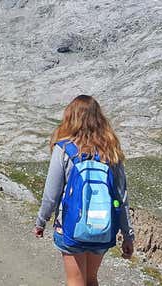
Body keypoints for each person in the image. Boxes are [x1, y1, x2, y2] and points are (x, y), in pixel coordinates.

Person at [33, 95, 134, 286]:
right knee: (90, 279)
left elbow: (51, 195)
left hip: (70, 226)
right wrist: (128, 235)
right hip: (102, 227)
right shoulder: (111, 152)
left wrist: (41, 222)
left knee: (75, 280)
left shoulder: (64, 149)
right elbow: (121, 198)